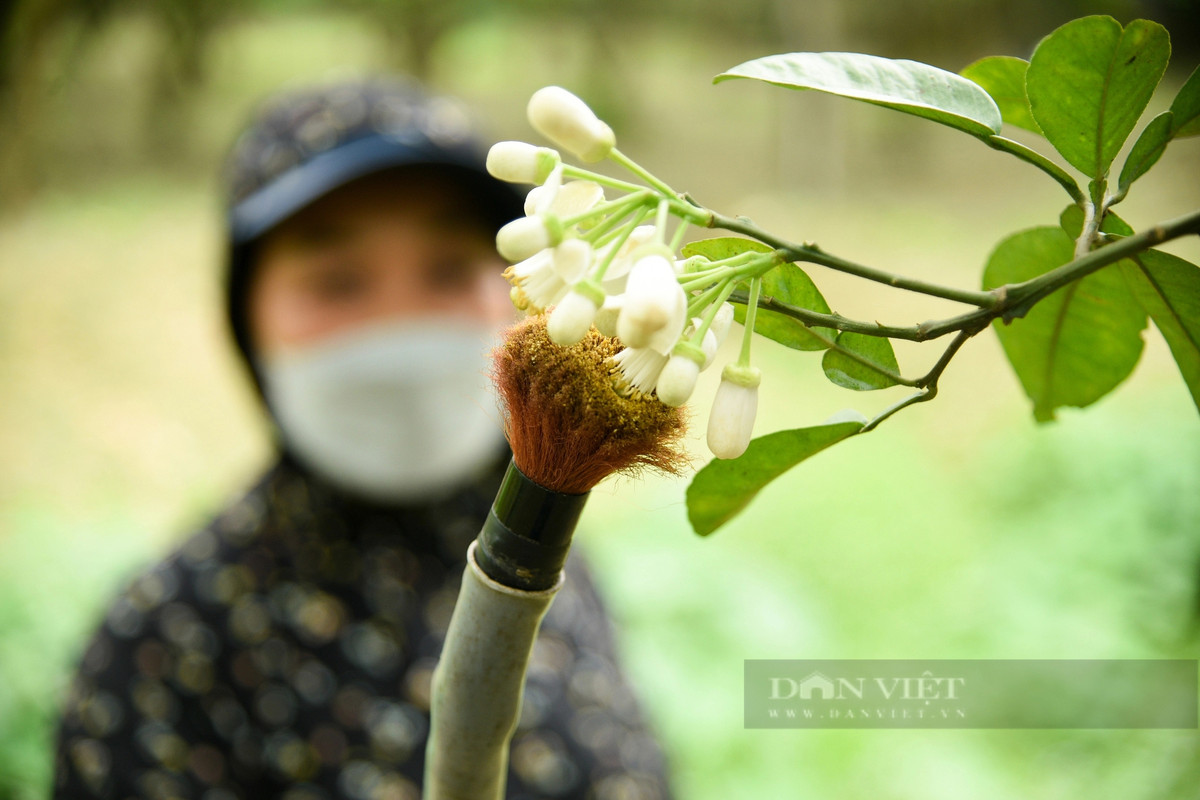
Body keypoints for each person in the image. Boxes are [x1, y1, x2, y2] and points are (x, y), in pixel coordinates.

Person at [52, 77, 674, 800]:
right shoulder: (166, 649)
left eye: (446, 271)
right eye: (337, 282)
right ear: (247, 321)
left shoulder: (560, 560)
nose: (399, 323)